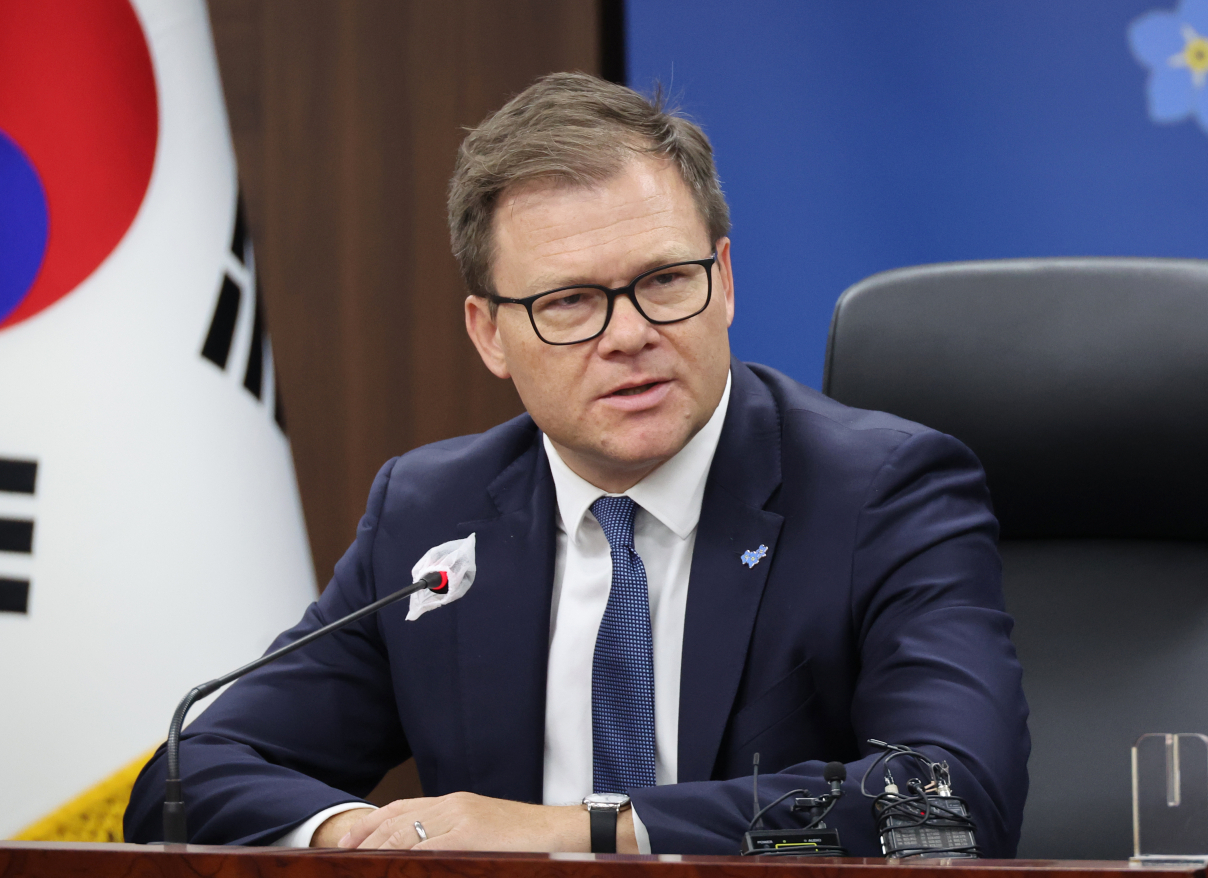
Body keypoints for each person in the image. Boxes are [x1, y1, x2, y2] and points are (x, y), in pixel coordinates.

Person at [124, 72, 1030, 856]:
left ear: (724, 278)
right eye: (569, 302)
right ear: (490, 333)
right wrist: (357, 834)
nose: (630, 335)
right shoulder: (434, 516)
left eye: (665, 281)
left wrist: (568, 830)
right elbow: (186, 776)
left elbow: (951, 799)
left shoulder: (882, 493)